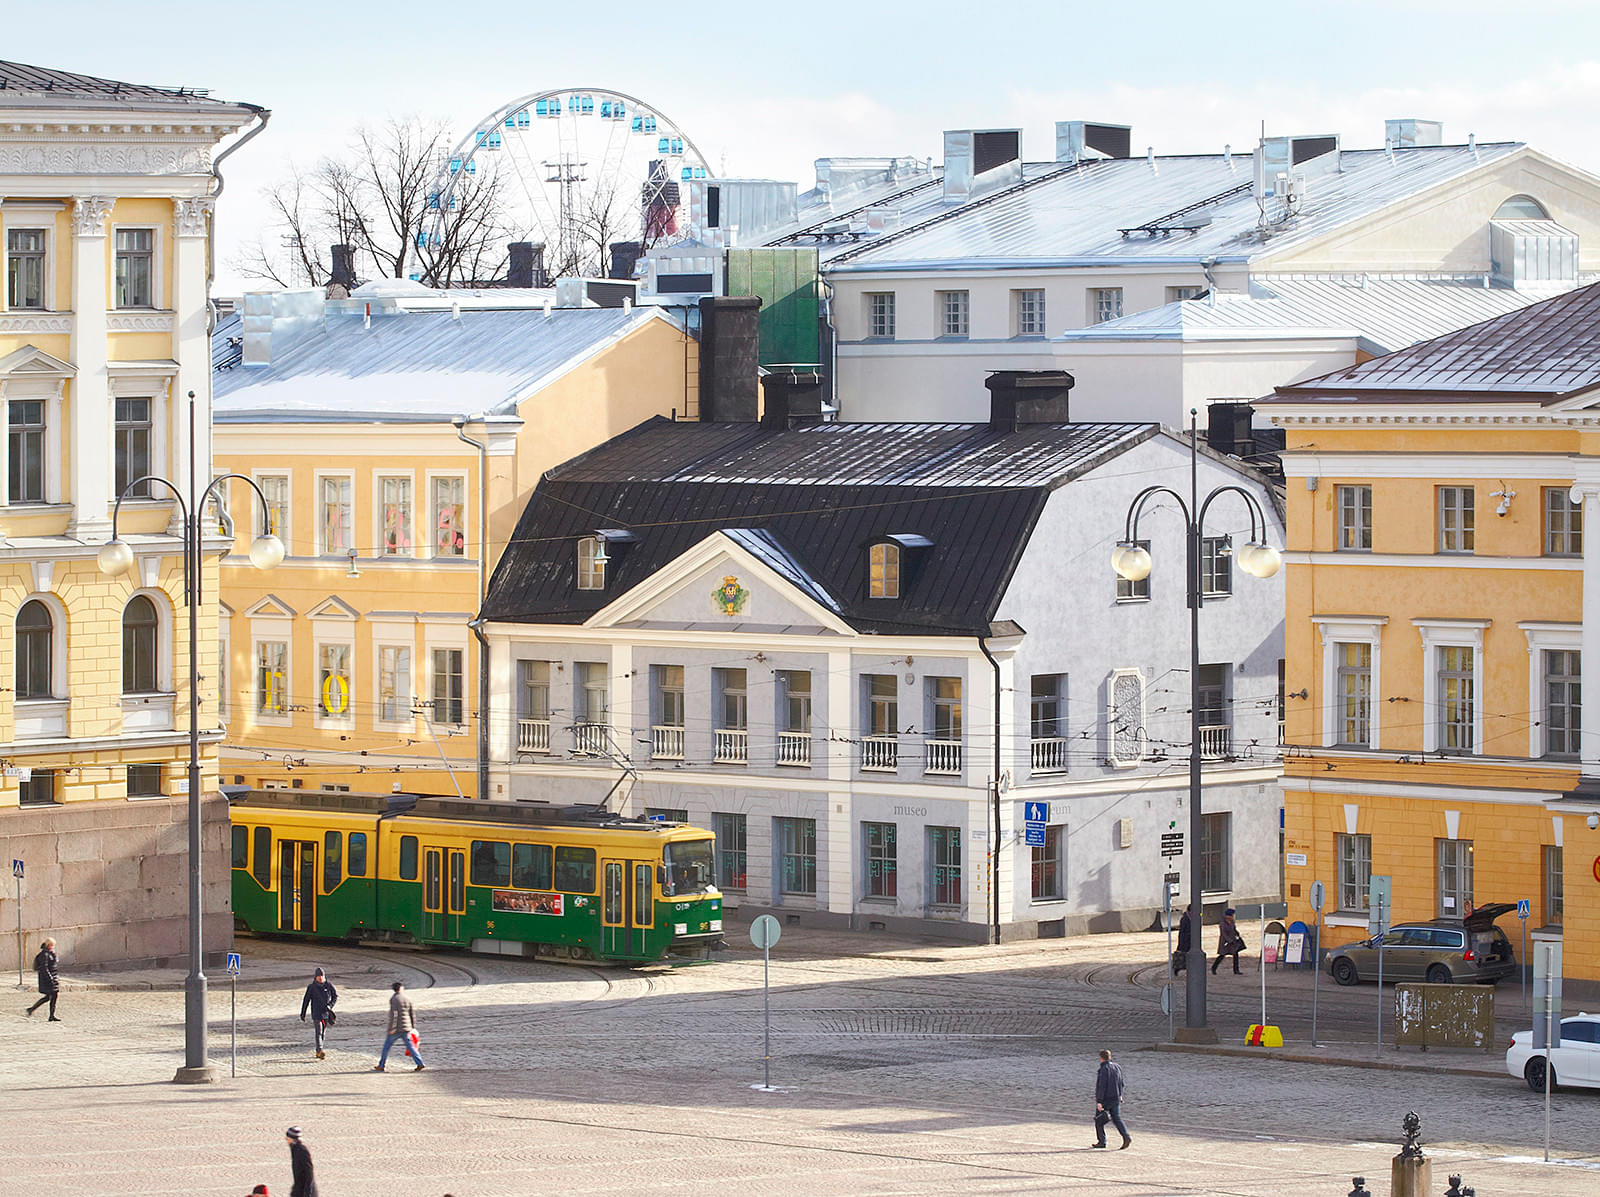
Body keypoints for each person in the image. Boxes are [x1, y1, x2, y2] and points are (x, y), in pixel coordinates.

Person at [375, 980, 424, 1072]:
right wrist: (412, 1026)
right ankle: (420, 1063)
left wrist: (391, 1028)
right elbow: (412, 1013)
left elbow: (394, 1015)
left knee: (386, 1047)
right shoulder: (407, 998)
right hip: (407, 1028)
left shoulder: (394, 999)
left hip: (396, 1029)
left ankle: (381, 1065)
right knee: (411, 1047)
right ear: (401, 988)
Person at [1092, 1048, 1131, 1150]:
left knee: (1098, 1120)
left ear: (1101, 1058)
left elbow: (1102, 1086)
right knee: (1117, 1118)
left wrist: (1099, 1101)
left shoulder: (1103, 1069)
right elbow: (1121, 1082)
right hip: (1116, 1097)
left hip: (1106, 1099)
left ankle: (1102, 1141)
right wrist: (1120, 1095)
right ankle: (1126, 1136)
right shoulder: (1117, 1067)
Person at [299, 967, 338, 1060]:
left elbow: (335, 996)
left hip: (326, 1013)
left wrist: (330, 1006)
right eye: (318, 976)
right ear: (315, 977)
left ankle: (319, 1051)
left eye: (322, 976)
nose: (320, 978)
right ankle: (319, 1050)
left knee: (323, 1032)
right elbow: (306, 1000)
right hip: (316, 1013)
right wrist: (303, 1013)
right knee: (318, 1032)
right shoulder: (311, 987)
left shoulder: (328, 985)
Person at [26, 937, 60, 1021]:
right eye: (52, 945)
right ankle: (50, 1015)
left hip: (53, 977)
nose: (53, 946)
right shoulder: (44, 954)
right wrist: (50, 978)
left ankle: (32, 1009)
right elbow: (44, 968)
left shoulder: (50, 953)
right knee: (52, 996)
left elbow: (54, 963)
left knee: (49, 997)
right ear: (48, 945)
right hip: (48, 978)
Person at [284, 1127, 317, 1197]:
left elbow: (309, 1173)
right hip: (299, 1189)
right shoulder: (294, 1149)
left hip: (305, 1191)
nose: (286, 1139)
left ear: (293, 1138)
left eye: (288, 1137)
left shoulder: (302, 1151)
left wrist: (308, 1193)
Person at [1212, 907, 1246, 975]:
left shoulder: (1232, 922)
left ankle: (1236, 970)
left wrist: (1237, 936)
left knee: (1235, 954)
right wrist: (1229, 940)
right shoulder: (1223, 923)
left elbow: (1234, 930)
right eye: (1232, 915)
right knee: (1222, 955)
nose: (1233, 916)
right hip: (1225, 942)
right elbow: (1223, 933)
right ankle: (1214, 968)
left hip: (1232, 941)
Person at [1173, 905, 1192, 974]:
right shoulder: (1185, 919)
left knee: (1189, 955)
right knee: (1183, 955)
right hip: (1185, 940)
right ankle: (1177, 968)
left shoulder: (1192, 917)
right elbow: (1182, 932)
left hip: (1191, 940)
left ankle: (1189, 968)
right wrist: (1181, 942)